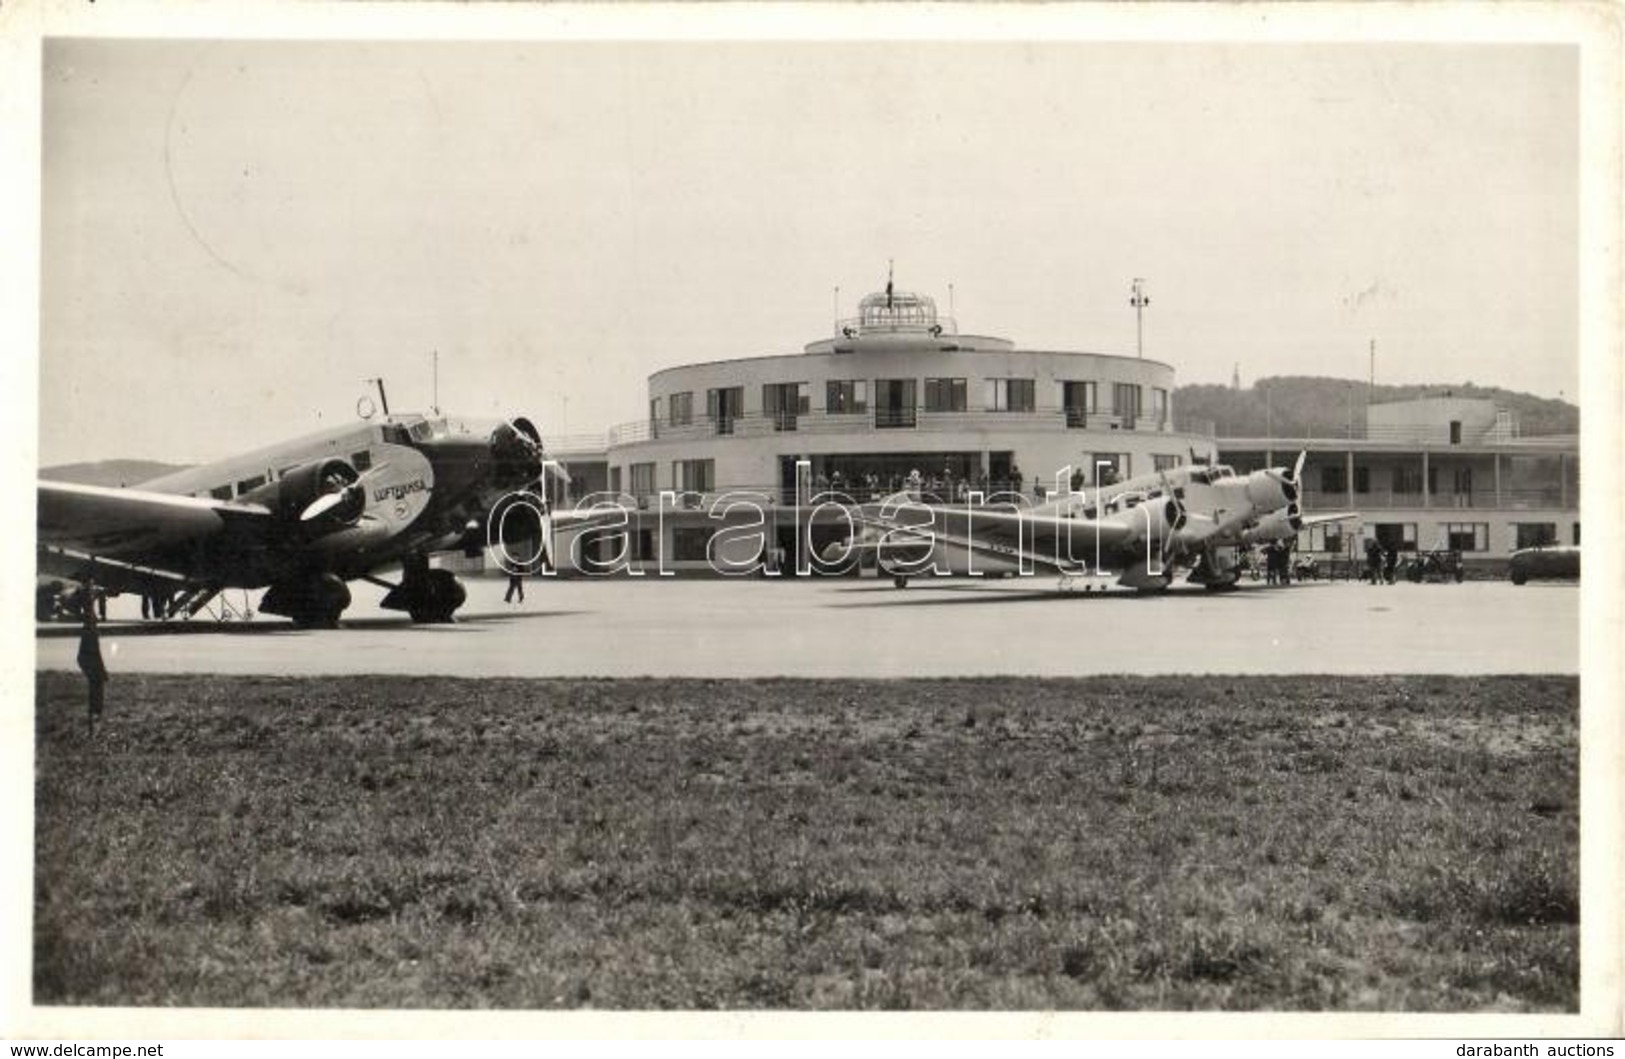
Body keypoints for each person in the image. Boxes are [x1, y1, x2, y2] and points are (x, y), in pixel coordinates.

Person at [77, 579, 108, 736]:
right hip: (93, 668)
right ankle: (94, 726)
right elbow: (84, 657)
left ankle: (94, 724)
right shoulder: (90, 628)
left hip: (93, 667)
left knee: (96, 691)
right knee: (96, 691)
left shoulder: (89, 628)